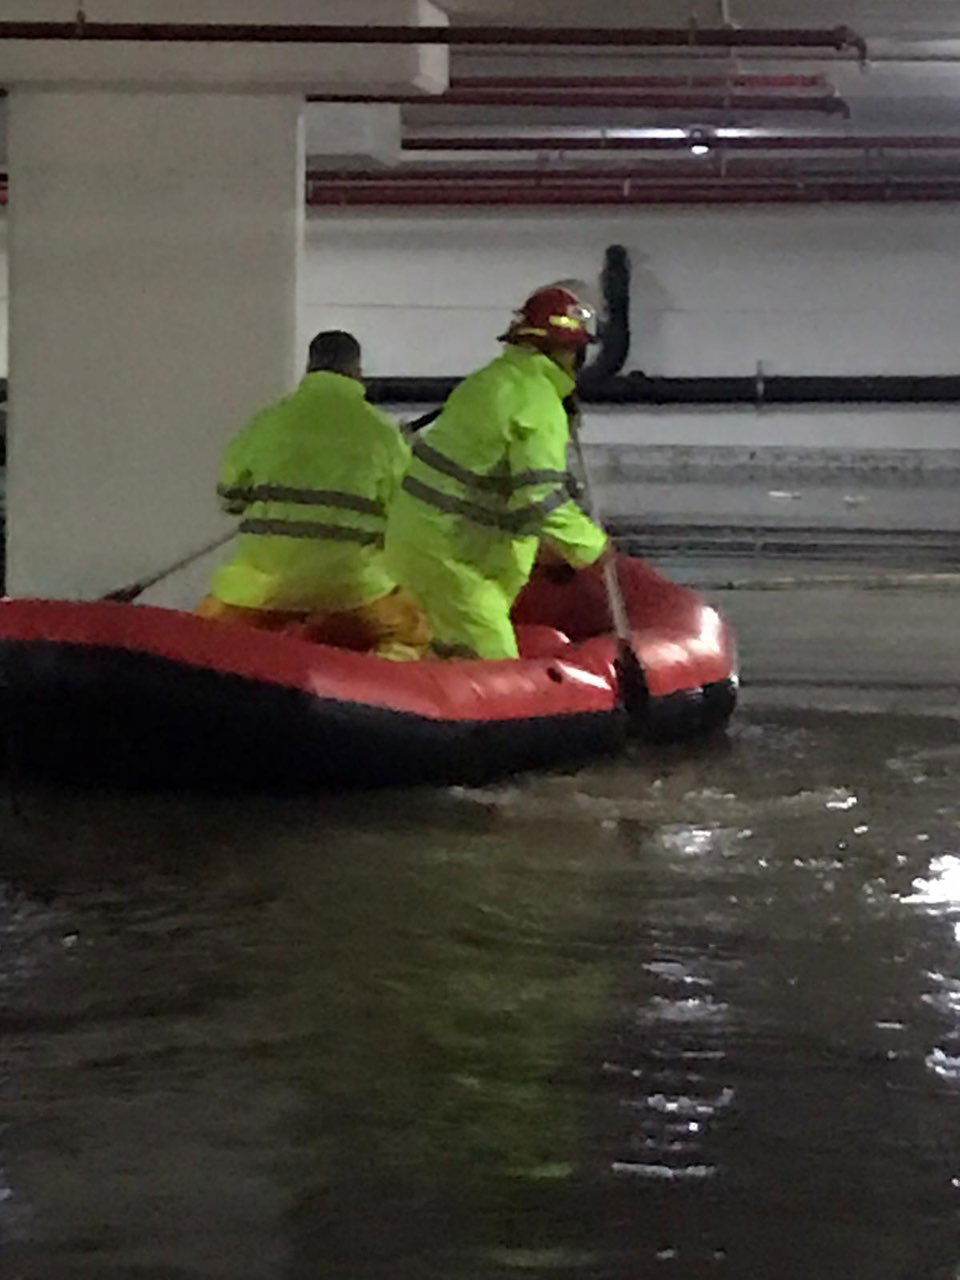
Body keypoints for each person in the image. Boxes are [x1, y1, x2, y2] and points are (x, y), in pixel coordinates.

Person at [384, 286, 610, 660]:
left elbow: (494, 488)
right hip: (448, 559)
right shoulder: (537, 403)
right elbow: (539, 498)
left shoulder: (491, 382)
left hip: (429, 547)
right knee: (495, 661)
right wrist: (595, 550)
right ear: (569, 351)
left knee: (438, 652)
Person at [198, 330, 431, 661]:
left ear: (309, 367)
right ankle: (369, 692)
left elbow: (229, 498)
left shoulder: (267, 423)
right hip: (353, 589)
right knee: (412, 635)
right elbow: (403, 515)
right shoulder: (383, 435)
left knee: (200, 645)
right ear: (357, 371)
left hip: (261, 588)